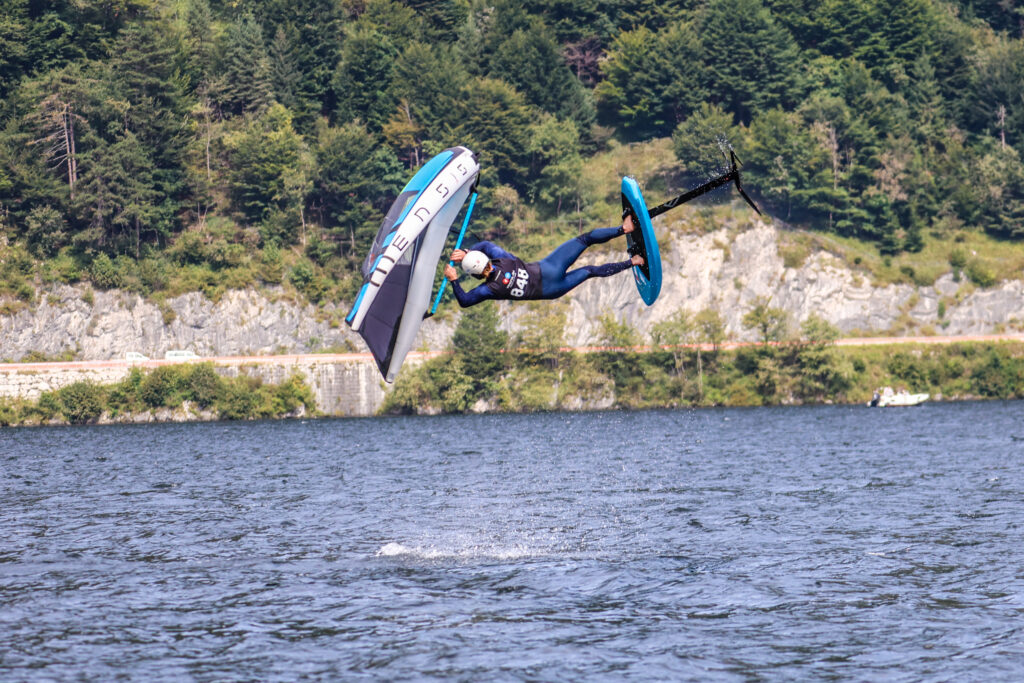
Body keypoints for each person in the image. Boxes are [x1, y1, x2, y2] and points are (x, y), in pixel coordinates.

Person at [443, 215, 644, 308]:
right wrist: (468, 251)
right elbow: (486, 244)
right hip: (548, 268)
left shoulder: (490, 289)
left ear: (475, 275)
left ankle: (634, 261)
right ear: (485, 259)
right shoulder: (503, 259)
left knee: (590, 271)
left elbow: (465, 301)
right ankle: (624, 229)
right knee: (585, 239)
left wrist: (453, 279)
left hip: (551, 291)